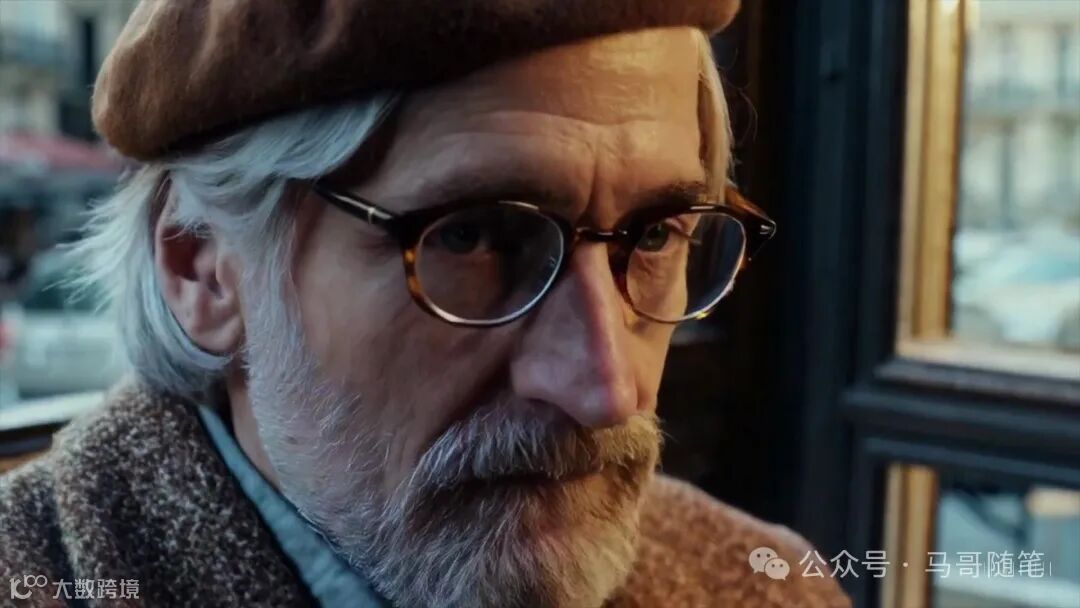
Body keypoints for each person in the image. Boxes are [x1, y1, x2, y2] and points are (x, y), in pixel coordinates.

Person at [0, 1, 850, 606]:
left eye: (657, 234)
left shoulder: (760, 584)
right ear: (203, 270)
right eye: (474, 238)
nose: (606, 386)